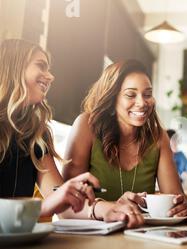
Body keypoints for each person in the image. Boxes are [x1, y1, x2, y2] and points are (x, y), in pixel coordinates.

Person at [0, 39, 139, 226]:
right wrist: (44, 208)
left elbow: (61, 201)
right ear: (12, 69)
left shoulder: (37, 135)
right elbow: (51, 203)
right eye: (40, 66)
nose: (50, 77)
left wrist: (107, 209)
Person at [62, 60, 187, 220]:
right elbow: (65, 207)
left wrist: (180, 206)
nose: (142, 102)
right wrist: (107, 209)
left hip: (139, 236)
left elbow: (175, 199)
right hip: (90, 238)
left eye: (147, 94)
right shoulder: (86, 126)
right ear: (111, 98)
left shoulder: (158, 137)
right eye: (131, 94)